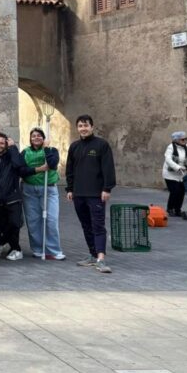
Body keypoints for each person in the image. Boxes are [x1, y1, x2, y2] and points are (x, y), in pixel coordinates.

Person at [65, 114, 116, 274]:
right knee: (86, 225)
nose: (83, 128)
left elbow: (108, 168)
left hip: (96, 194)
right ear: (77, 128)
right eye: (80, 126)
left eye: (86, 125)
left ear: (92, 127)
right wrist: (70, 189)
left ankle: (101, 259)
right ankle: (93, 255)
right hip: (79, 194)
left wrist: (107, 188)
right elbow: (70, 170)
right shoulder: (74, 147)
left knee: (98, 225)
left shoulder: (101, 145)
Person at [0, 133, 34, 261]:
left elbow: (19, 165)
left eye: (2, 143)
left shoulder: (13, 156)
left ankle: (10, 247)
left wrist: (13, 148)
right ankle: (10, 247)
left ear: (6, 144)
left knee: (15, 223)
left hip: (13, 196)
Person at [21, 128, 63, 260]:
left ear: (44, 138)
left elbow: (52, 164)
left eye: (39, 136)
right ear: (30, 138)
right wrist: (38, 169)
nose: (36, 138)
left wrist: (46, 149)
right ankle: (38, 248)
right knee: (33, 221)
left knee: (51, 220)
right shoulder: (25, 152)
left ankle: (53, 250)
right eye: (33, 136)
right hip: (29, 190)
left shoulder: (52, 150)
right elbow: (22, 170)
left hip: (48, 189)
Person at [163, 131, 187, 216]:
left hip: (182, 174)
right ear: (176, 140)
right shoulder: (171, 147)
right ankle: (170, 208)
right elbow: (168, 159)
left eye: (185, 139)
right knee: (175, 191)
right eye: (183, 139)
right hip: (170, 174)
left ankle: (177, 209)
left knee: (182, 192)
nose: (185, 141)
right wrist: (177, 167)